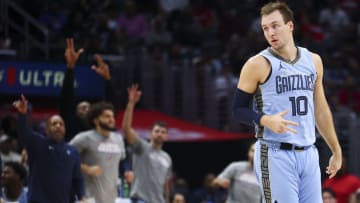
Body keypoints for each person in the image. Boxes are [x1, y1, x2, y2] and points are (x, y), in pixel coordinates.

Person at [232, 2, 342, 203]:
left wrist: (336, 149)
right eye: (265, 28)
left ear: (290, 26)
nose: (270, 32)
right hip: (275, 152)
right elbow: (237, 110)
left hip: (309, 152)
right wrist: (265, 120)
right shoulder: (257, 64)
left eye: (275, 26)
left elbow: (321, 109)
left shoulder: (313, 60)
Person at [13, 95, 84, 203]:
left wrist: (82, 197)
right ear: (46, 129)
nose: (58, 126)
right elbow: (23, 132)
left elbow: (78, 178)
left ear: (65, 129)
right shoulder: (38, 143)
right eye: (54, 124)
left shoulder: (73, 151)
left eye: (61, 124)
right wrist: (22, 115)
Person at [122, 84, 172, 203]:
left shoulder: (167, 157)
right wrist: (131, 103)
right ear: (151, 134)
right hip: (141, 200)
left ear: (167, 137)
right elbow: (126, 129)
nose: (159, 133)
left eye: (163, 132)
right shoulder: (142, 147)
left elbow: (166, 185)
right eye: (157, 131)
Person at [70, 101, 126, 203]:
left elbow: (122, 161)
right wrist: (87, 169)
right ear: (96, 120)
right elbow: (65, 157)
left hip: (111, 198)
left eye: (112, 116)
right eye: (107, 116)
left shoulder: (118, 139)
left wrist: (127, 171)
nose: (111, 119)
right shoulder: (84, 138)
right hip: (89, 198)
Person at [61, 38, 116, 141]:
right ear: (75, 112)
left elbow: (110, 108)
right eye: (82, 108)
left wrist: (108, 80)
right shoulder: (71, 124)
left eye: (88, 108)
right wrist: (70, 68)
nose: (86, 110)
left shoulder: (100, 129)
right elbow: (66, 98)